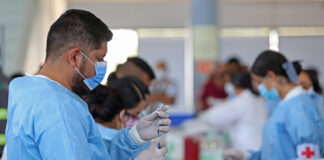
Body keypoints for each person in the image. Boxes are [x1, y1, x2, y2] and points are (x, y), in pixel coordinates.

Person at [5, 9, 170, 160]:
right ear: (75, 57)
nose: (103, 66)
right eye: (99, 58)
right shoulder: (56, 106)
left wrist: (135, 136)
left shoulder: (31, 90)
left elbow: (92, 154)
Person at [249, 50, 324, 159]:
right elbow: (274, 149)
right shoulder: (286, 106)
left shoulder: (299, 109)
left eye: (260, 82)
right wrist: (246, 156)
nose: (260, 88)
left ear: (271, 76)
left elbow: (309, 155)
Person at [199, 71, 268, 152]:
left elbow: (211, 117)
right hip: (261, 151)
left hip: (247, 152)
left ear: (236, 86)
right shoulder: (259, 100)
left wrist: (201, 115)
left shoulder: (242, 102)